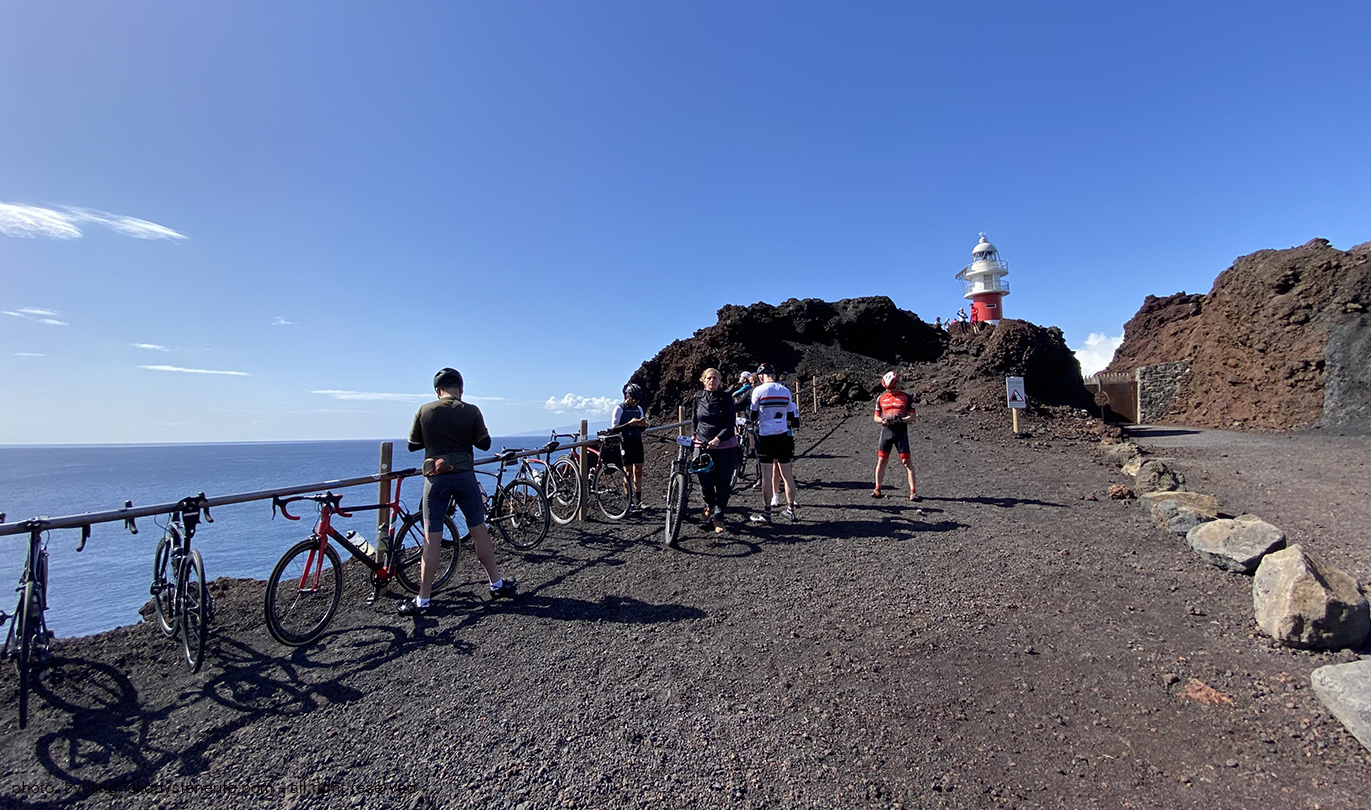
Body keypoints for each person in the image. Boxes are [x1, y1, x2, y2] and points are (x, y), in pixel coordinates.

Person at [399, 367, 516, 616]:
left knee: (431, 540)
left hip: (435, 481)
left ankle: (423, 600)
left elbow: (412, 445)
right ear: (460, 388)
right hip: (464, 477)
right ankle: (496, 583)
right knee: (479, 531)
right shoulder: (471, 410)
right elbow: (485, 444)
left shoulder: (424, 410)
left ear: (437, 389)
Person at [747, 363, 800, 524]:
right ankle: (790, 509)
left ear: (761, 376)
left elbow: (752, 413)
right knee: (787, 474)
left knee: (767, 476)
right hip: (783, 435)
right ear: (774, 376)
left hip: (766, 436)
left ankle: (767, 513)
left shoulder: (758, 390)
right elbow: (792, 416)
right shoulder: (785, 391)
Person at [691, 368, 740, 533]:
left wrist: (718, 439)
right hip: (702, 444)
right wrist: (693, 435)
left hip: (725, 446)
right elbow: (694, 419)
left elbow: (730, 423)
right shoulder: (698, 397)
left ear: (720, 381)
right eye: (709, 378)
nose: (712, 381)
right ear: (703, 381)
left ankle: (719, 517)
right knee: (704, 480)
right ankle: (709, 505)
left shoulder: (726, 398)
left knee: (722, 483)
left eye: (715, 378)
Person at [872, 370, 918, 501]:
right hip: (886, 432)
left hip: (900, 433)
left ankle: (913, 492)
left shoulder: (907, 397)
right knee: (881, 460)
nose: (890, 391)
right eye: (887, 389)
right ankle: (877, 489)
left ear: (897, 384)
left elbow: (913, 417)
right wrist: (882, 420)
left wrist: (902, 420)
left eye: (892, 388)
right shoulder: (881, 398)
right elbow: (875, 416)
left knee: (906, 462)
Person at [609, 383, 648, 513]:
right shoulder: (619, 409)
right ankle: (628, 501)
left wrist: (642, 425)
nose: (635, 402)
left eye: (637, 400)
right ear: (627, 396)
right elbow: (614, 429)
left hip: (637, 441)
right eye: (633, 399)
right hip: (625, 442)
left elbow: (642, 428)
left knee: (639, 470)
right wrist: (629, 424)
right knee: (628, 472)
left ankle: (638, 500)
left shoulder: (639, 409)